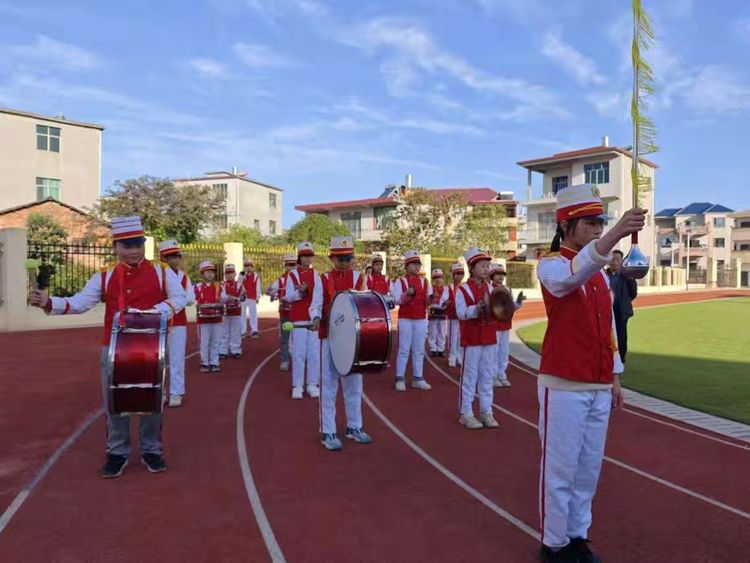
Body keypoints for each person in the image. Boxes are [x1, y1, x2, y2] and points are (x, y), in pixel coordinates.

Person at [28, 216, 187, 478]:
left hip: (153, 347)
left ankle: (151, 449)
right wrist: (48, 302)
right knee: (115, 400)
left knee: (153, 399)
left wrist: (151, 311)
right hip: (113, 349)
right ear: (115, 246)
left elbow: (179, 298)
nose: (133, 250)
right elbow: (79, 303)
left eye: (137, 243)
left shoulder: (161, 271)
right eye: (126, 245)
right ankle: (117, 451)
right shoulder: (105, 276)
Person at [536, 183, 644, 562]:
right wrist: (616, 234)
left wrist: (614, 376)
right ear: (566, 225)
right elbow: (568, 279)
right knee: (560, 469)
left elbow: (609, 329)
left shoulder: (598, 274)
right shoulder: (550, 264)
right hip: (564, 383)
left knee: (587, 470)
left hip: (597, 383)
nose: (599, 228)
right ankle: (553, 544)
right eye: (592, 222)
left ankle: (577, 536)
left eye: (602, 221)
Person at [318, 236, 372, 451]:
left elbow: (365, 304)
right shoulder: (323, 279)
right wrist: (315, 317)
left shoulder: (359, 278)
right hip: (330, 336)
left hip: (352, 338)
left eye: (347, 258)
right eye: (340, 258)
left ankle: (354, 426)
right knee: (329, 384)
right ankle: (328, 430)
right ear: (332, 259)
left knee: (354, 384)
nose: (344, 262)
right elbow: (315, 305)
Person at [454, 248, 499, 430]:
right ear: (472, 268)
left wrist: (514, 306)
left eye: (488, 265)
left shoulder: (492, 288)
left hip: (489, 337)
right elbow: (460, 313)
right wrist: (476, 309)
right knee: (470, 376)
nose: (486, 268)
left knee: (487, 376)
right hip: (472, 338)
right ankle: (466, 413)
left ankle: (486, 411)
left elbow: (500, 309)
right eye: (482, 265)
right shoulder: (462, 289)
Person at [284, 241, 323, 399]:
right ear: (300, 257)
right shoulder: (292, 275)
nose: (308, 259)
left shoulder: (316, 275)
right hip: (298, 318)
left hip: (312, 319)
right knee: (299, 353)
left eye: (310, 256)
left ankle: (312, 383)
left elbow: (319, 297)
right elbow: (288, 296)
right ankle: (297, 385)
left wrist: (317, 317)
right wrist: (299, 292)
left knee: (314, 353)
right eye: (305, 256)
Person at [158, 239, 194, 408]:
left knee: (177, 358)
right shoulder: (156, 275)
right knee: (159, 360)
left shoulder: (184, 277)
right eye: (170, 257)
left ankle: (176, 392)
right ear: (163, 258)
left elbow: (190, 299)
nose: (175, 260)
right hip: (158, 322)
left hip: (178, 323)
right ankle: (161, 392)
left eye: (177, 256)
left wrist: (174, 301)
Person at [391, 250, 432, 392]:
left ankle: (418, 377)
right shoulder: (400, 281)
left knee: (419, 349)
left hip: (421, 318)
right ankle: (399, 377)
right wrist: (405, 294)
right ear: (407, 266)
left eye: (418, 264)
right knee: (404, 349)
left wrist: (430, 300)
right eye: (414, 264)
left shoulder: (425, 281)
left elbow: (428, 300)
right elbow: (396, 299)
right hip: (406, 318)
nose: (417, 267)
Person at [489, 262, 524, 388]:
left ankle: (501, 374)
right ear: (491, 275)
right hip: (494, 325)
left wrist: (518, 303)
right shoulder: (489, 288)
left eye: (502, 275)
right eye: (497, 274)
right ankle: (492, 376)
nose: (500, 277)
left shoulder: (507, 289)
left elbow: (510, 306)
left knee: (504, 352)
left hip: (505, 324)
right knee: (494, 351)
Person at [194, 261, 227, 374]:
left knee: (215, 341)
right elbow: (195, 302)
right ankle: (204, 362)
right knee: (204, 342)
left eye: (212, 272)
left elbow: (223, 299)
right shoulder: (197, 287)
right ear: (202, 273)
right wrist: (212, 304)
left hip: (217, 318)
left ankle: (214, 362)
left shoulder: (219, 286)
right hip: (203, 320)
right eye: (207, 272)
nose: (210, 274)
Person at [266, 253, 297, 371]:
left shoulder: (300, 279)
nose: (292, 267)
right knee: (285, 337)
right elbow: (271, 292)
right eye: (289, 265)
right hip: (285, 312)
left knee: (298, 338)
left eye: (294, 265)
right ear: (286, 266)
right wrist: (270, 291)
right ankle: (284, 360)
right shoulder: (281, 280)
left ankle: (297, 359)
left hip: (298, 313)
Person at [607, 249, 638, 363]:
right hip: (606, 311)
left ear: (621, 261)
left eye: (617, 259)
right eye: (612, 259)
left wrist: (623, 301)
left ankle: (621, 359)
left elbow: (633, 293)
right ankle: (607, 358)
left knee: (621, 336)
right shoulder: (604, 274)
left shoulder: (627, 276)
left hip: (621, 312)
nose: (614, 262)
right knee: (607, 336)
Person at [220, 264, 243, 359]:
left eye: (231, 273)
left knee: (236, 332)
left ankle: (236, 350)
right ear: (225, 275)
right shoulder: (222, 285)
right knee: (224, 332)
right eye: (227, 273)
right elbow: (223, 297)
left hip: (236, 311)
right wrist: (234, 298)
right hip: (225, 312)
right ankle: (223, 350)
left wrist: (241, 297)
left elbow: (243, 298)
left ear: (235, 274)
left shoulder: (239, 285)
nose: (229, 275)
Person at [427, 268, 449, 357]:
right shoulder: (430, 289)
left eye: (439, 277)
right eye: (435, 278)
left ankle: (441, 349)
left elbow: (446, 300)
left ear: (442, 278)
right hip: (433, 311)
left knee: (442, 331)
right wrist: (432, 297)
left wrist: (444, 303)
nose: (437, 279)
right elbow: (427, 301)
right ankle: (432, 348)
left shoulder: (446, 289)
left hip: (442, 311)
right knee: (432, 331)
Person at [447, 262, 465, 368]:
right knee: (452, 337)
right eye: (457, 273)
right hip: (452, 316)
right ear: (453, 275)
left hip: (461, 317)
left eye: (461, 273)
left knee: (460, 338)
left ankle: (459, 357)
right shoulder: (449, 287)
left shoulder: (464, 287)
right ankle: (452, 357)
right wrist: (446, 302)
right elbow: (443, 301)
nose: (459, 276)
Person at [240, 258, 261, 338]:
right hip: (243, 297)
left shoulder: (256, 275)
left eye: (249, 266)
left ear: (252, 266)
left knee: (253, 314)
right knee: (242, 315)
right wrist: (242, 289)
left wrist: (258, 296)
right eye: (246, 266)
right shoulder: (242, 274)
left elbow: (258, 286)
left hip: (252, 297)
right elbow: (239, 283)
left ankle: (254, 330)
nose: (248, 267)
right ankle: (243, 331)